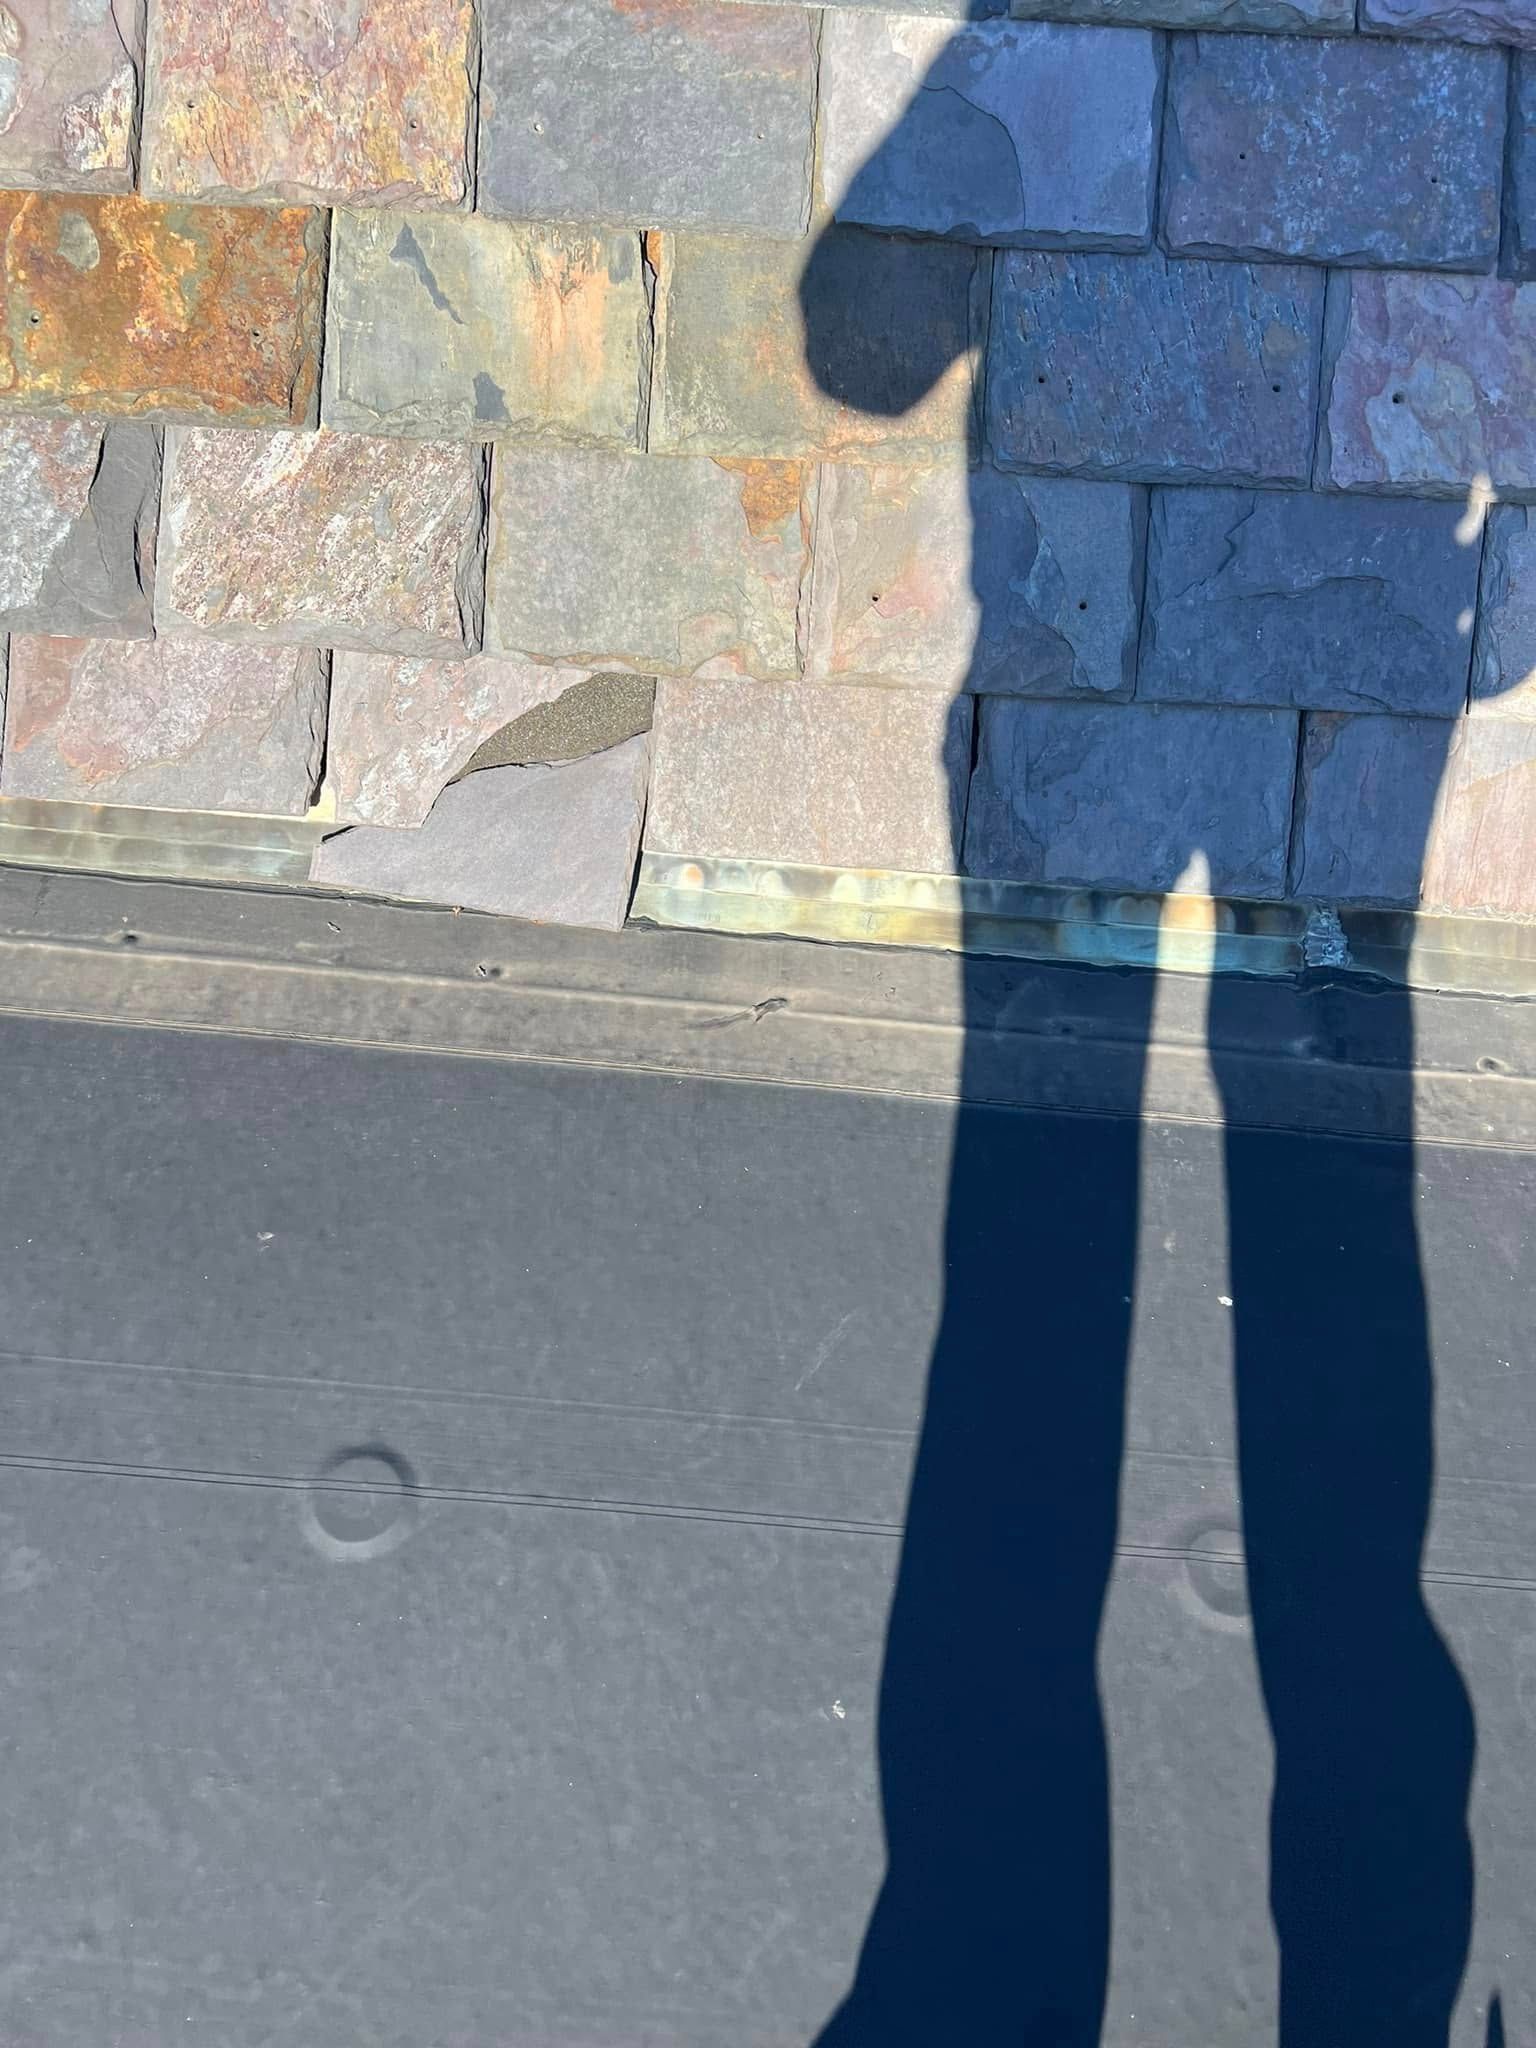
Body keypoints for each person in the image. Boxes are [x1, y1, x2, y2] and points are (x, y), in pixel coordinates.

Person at [800, 46, 1481, 2046]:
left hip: (1099, 710)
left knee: (1033, 1290)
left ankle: (976, 1985)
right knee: (1329, 1278)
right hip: (1330, 689)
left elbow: (861, 342)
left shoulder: (1049, 16)